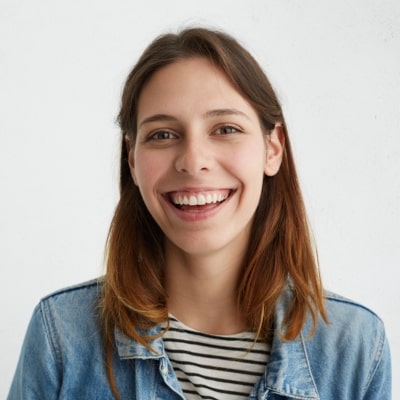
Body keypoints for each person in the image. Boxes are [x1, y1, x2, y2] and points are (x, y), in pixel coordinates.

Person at [8, 27, 391, 400]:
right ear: (132, 159)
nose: (193, 162)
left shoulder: (355, 348)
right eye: (162, 134)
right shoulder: (61, 334)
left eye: (225, 128)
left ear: (273, 149)